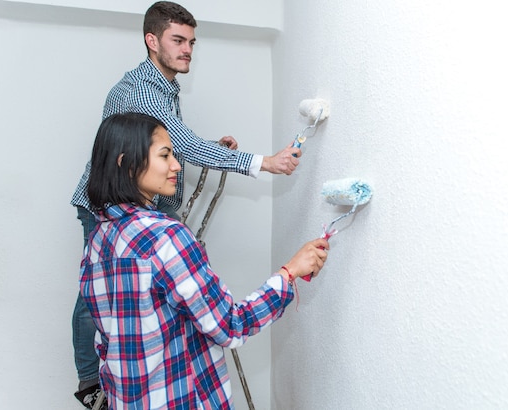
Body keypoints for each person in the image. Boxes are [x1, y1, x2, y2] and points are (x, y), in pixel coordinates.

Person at [70, 1, 302, 407]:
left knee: (129, 309)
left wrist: (208, 149)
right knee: (100, 306)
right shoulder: (141, 89)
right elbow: (229, 325)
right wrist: (263, 162)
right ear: (151, 39)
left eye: (192, 42)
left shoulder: (162, 88)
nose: (187, 49)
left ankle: (120, 387)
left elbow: (174, 143)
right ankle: (92, 385)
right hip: (110, 207)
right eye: (178, 40)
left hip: (136, 212)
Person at [79, 112, 328, 409]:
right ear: (126, 163)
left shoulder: (98, 240)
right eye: (165, 155)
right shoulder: (166, 238)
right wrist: (289, 273)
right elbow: (230, 325)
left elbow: (106, 341)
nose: (176, 165)